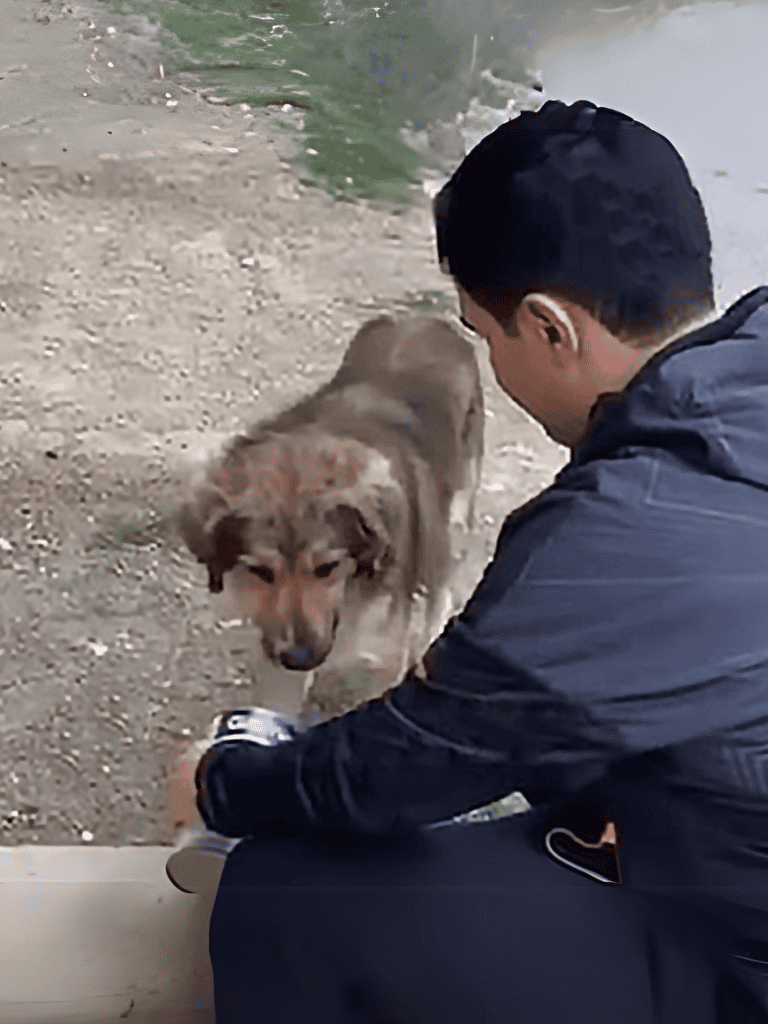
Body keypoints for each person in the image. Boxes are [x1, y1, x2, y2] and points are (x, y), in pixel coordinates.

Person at [196, 98, 768, 1023]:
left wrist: (223, 781)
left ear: (549, 328)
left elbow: (394, 771)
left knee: (285, 895)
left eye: (484, 332)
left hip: (733, 953)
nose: (490, 364)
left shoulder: (620, 534)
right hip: (715, 841)